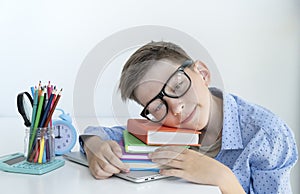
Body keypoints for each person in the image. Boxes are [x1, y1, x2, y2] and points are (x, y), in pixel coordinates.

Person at [79, 41, 298, 194]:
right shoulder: (164, 128)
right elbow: (100, 134)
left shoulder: (268, 135)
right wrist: (95, 146)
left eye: (178, 86)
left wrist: (223, 179)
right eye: (157, 106)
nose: (176, 108)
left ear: (202, 73)